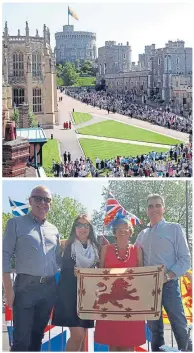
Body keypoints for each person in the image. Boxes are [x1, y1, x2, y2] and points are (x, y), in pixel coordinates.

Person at [3, 186, 62, 351]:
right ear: (30, 201)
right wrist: (8, 289)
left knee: (37, 338)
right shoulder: (15, 223)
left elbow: (59, 259)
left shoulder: (54, 230)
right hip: (25, 288)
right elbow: (4, 255)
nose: (43, 203)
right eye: (38, 198)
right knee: (21, 340)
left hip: (48, 289)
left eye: (47, 200)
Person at [135, 194, 192, 352]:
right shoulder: (142, 235)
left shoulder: (174, 228)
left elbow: (185, 259)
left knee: (180, 327)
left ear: (163, 209)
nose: (154, 209)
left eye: (157, 205)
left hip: (169, 285)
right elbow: (133, 258)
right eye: (151, 206)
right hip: (149, 289)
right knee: (155, 332)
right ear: (147, 210)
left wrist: (167, 277)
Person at [94, 213, 146, 351]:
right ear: (114, 231)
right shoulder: (106, 249)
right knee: (113, 344)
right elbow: (100, 275)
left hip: (131, 306)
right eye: (119, 228)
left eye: (126, 227)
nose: (123, 230)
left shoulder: (137, 250)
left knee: (129, 345)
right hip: (111, 307)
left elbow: (141, 276)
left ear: (130, 231)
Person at [52, 215, 100, 351]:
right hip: (68, 296)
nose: (82, 228)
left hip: (87, 297)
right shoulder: (66, 245)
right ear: (75, 228)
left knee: (82, 335)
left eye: (86, 225)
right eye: (79, 225)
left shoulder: (96, 247)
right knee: (78, 335)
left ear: (90, 228)